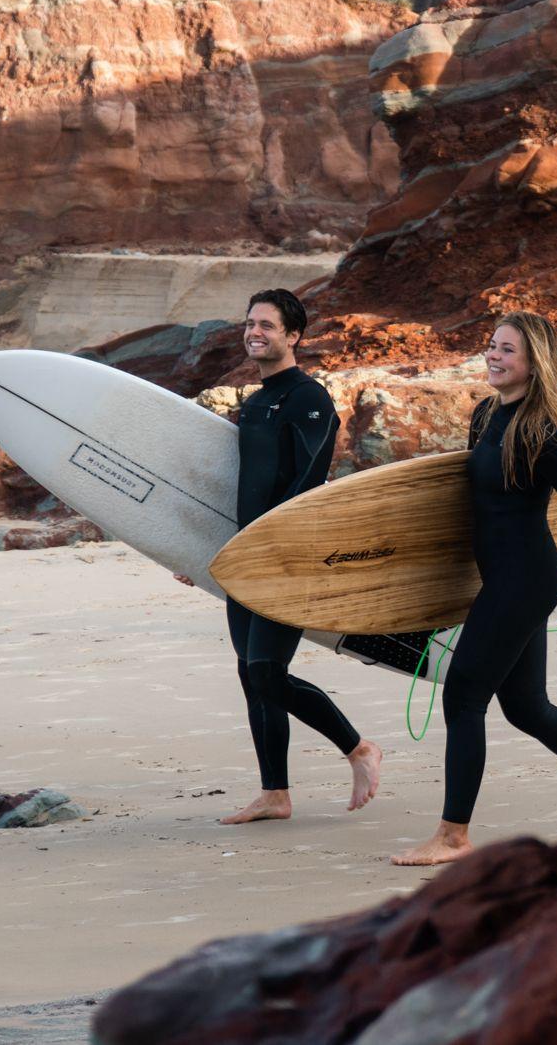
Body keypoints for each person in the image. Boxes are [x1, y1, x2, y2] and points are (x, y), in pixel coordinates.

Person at [392, 311, 557, 867]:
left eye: (507, 350)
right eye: (491, 345)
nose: (493, 356)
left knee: (463, 695)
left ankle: (453, 836)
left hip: (525, 581)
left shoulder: (540, 434)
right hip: (502, 578)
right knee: (527, 707)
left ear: (534, 364)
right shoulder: (485, 415)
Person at [175, 289, 382, 825]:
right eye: (250, 323)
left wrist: (272, 549)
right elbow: (237, 490)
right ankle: (275, 794)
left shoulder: (309, 399)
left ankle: (358, 748)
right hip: (247, 556)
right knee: (251, 674)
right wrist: (198, 553)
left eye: (267, 325)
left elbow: (304, 485)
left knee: (268, 673)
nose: (255, 332)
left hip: (289, 556)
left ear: (293, 336)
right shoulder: (255, 403)